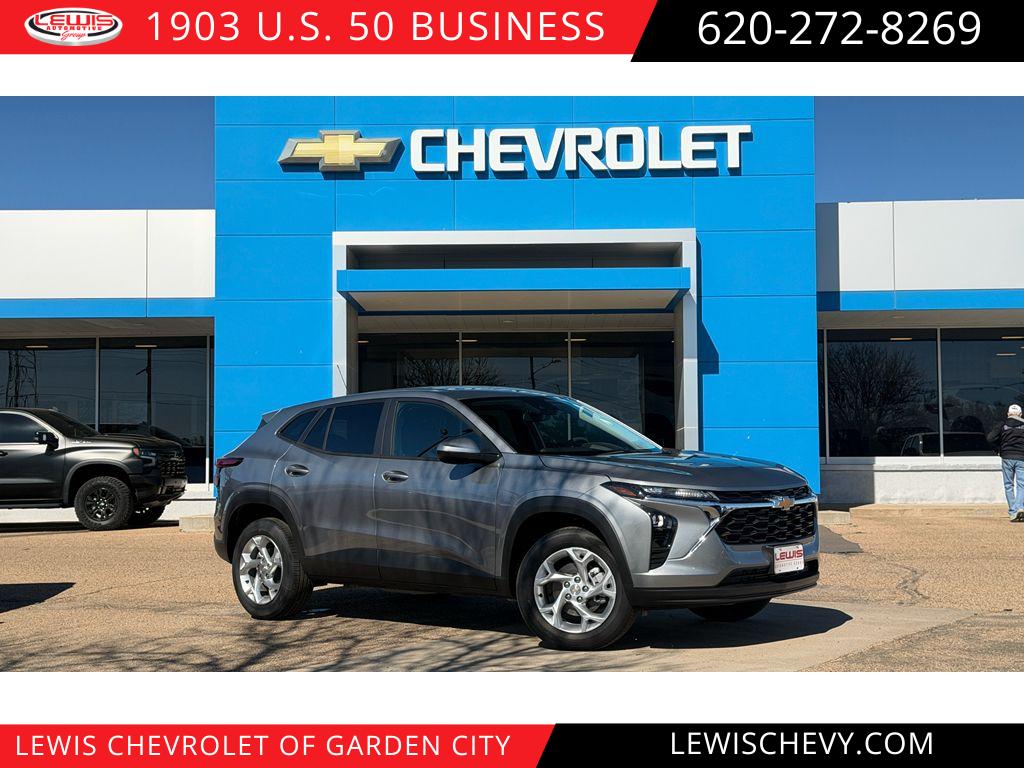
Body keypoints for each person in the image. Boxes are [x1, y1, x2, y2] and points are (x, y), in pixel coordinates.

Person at [988, 404, 1024, 521]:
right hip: (1021, 458)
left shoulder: (1002, 425)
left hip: (1007, 457)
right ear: (1020, 414)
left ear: (1008, 414)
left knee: (1009, 485)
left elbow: (990, 438)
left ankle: (1013, 512)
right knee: (1021, 484)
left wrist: (998, 449)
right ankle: (1020, 507)